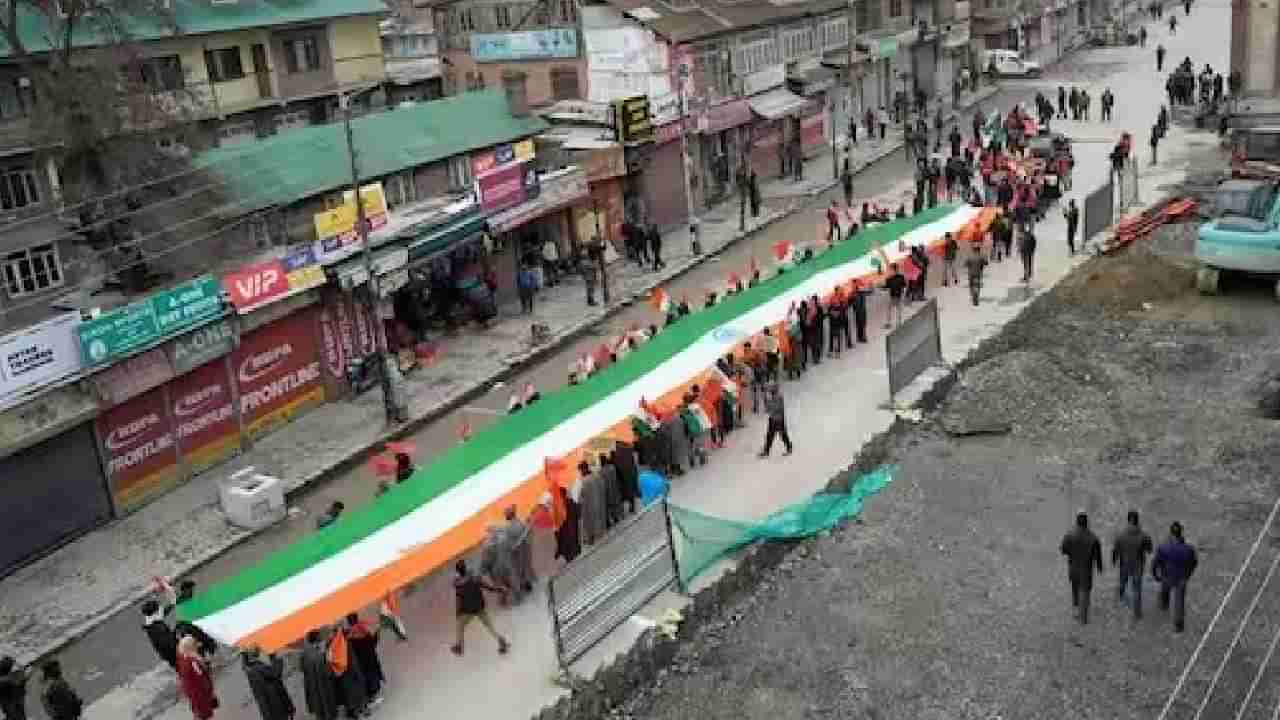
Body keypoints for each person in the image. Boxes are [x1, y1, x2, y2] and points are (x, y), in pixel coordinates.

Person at [451, 560, 510, 656]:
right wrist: (500, 589)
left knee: (460, 626)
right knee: (490, 626)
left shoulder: (457, 584)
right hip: (479, 607)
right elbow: (489, 587)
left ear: (458, 572)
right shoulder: (475, 578)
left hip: (468, 610)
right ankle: (501, 641)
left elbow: (458, 599)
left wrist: (458, 612)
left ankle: (459, 646)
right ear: (465, 568)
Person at [1153, 521, 1198, 632]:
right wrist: (1188, 574)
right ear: (1181, 533)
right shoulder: (1189, 549)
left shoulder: (1163, 547)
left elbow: (1156, 563)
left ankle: (1164, 605)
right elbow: (1194, 563)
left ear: (1171, 533)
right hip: (1181, 578)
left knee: (1165, 590)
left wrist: (1155, 575)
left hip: (1166, 576)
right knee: (1179, 601)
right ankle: (1178, 624)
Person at [1060, 512, 1103, 624]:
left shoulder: (1069, 535)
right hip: (1086, 570)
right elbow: (1097, 556)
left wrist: (1071, 551)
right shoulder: (1093, 538)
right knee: (1084, 593)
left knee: (1075, 589)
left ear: (1076, 522)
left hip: (1073, 569)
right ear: (1087, 523)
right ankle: (1083, 620)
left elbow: (1063, 550)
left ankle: (1076, 611)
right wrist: (1099, 568)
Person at [1112, 511, 1154, 620]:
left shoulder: (1120, 535)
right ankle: (1137, 613)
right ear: (1137, 520)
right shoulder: (1144, 536)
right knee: (1136, 590)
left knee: (1122, 582)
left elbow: (1115, 550)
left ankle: (1120, 597)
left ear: (1128, 520)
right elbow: (1150, 550)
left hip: (1124, 565)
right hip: (1138, 566)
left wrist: (1114, 561)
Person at [242, 647, 294, 720]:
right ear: (250, 654)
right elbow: (275, 674)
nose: (258, 649)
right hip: (276, 706)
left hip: (270, 708)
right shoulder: (258, 668)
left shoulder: (251, 669)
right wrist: (276, 658)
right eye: (255, 648)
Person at [343, 615, 384, 703]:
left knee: (365, 679)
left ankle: (368, 696)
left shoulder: (349, 636)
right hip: (370, 660)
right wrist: (377, 632)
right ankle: (373, 697)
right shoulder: (364, 631)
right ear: (357, 619)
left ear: (349, 622)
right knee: (372, 678)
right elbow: (373, 643)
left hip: (360, 663)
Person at [176, 636, 218, 720]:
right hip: (200, 695)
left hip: (195, 695)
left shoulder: (184, 660)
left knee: (200, 714)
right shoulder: (192, 662)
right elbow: (201, 679)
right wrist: (210, 693)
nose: (196, 648)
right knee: (204, 715)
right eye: (194, 645)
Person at [301, 630, 339, 720]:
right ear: (316, 638)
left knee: (319, 705)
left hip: (314, 687)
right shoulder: (320, 653)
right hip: (324, 684)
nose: (321, 636)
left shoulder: (305, 654)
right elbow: (328, 670)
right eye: (319, 635)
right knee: (327, 703)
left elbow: (303, 669)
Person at [503, 505, 535, 596]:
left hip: (516, 553)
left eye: (506, 514)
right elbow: (528, 532)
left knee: (518, 570)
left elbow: (508, 543)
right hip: (524, 550)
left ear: (509, 515)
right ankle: (527, 584)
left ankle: (523, 585)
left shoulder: (508, 528)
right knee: (525, 567)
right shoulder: (521, 522)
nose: (505, 516)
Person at [142, 599, 179, 670]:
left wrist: (172, 604)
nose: (161, 609)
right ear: (155, 612)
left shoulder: (151, 620)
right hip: (174, 656)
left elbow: (163, 613)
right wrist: (176, 632)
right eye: (159, 609)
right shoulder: (158, 630)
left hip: (169, 655)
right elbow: (170, 644)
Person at [758, 382, 792, 458]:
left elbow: (774, 408)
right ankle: (766, 451)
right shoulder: (773, 396)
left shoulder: (778, 397)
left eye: (771, 389)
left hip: (778, 418)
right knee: (770, 435)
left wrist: (767, 402)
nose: (769, 390)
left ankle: (789, 447)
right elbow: (768, 409)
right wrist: (765, 401)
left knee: (781, 434)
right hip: (774, 418)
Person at [883, 263, 907, 328]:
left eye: (890, 270)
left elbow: (904, 286)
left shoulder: (891, 278)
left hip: (896, 296)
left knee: (895, 309)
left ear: (894, 270)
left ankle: (893, 323)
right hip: (894, 296)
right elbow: (886, 287)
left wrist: (903, 295)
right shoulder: (892, 278)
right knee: (893, 309)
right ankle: (894, 323)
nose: (889, 271)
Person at [964, 243, 987, 307]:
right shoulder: (981, 256)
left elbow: (965, 264)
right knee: (978, 284)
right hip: (978, 273)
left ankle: (972, 294)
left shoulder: (970, 256)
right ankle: (976, 295)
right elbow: (986, 262)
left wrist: (967, 265)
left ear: (973, 249)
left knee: (971, 285)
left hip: (971, 274)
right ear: (979, 249)